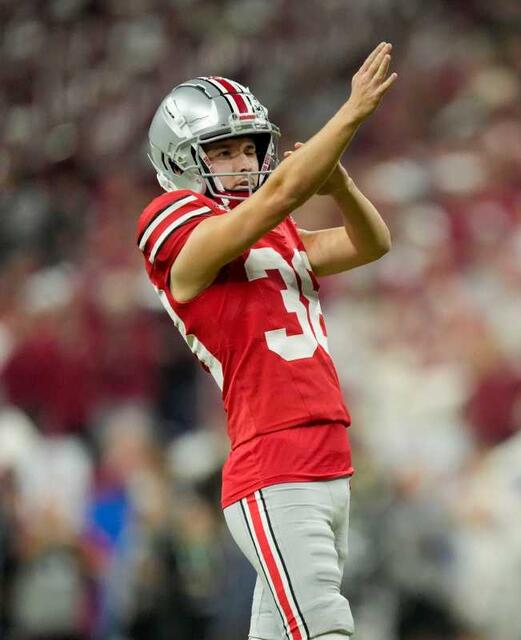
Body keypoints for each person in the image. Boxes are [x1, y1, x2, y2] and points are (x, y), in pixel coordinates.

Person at [136, 42, 398, 640]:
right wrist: (351, 113)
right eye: (222, 151)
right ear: (180, 160)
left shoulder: (275, 231)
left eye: (248, 148)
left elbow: (371, 243)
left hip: (327, 455)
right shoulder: (167, 220)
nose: (242, 163)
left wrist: (340, 183)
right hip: (273, 462)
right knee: (324, 628)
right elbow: (280, 194)